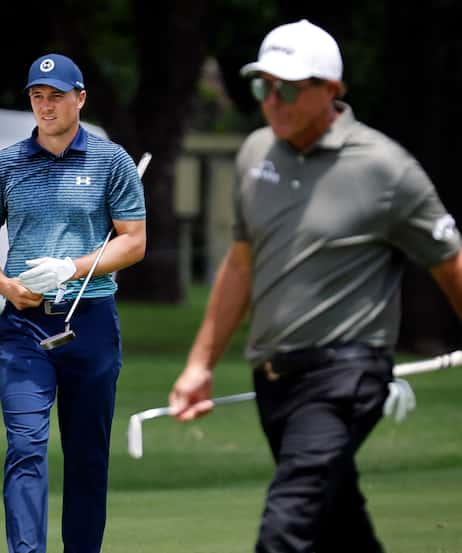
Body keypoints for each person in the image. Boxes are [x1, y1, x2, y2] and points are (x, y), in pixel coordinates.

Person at [168, 19, 462, 553]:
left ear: (332, 90)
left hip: (346, 374)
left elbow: (451, 264)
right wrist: (199, 364)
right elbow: (241, 263)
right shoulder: (256, 154)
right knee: (338, 523)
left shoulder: (386, 169)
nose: (273, 101)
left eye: (288, 88)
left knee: (288, 523)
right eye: (263, 87)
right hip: (274, 378)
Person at [0, 53, 146, 553]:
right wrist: (4, 284)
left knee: (88, 457)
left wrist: (72, 267)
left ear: (80, 98)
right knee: (25, 447)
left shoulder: (112, 160)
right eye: (37, 97)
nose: (45, 106)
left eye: (56, 96)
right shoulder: (7, 162)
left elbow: (133, 241)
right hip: (25, 324)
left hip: (91, 321)